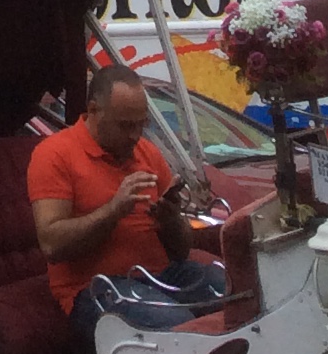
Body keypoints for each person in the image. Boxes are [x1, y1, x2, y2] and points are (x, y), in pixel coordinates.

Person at [27, 65, 224, 337]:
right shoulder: (54, 154)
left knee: (236, 295)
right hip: (95, 286)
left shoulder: (146, 152)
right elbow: (51, 244)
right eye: (124, 125)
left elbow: (180, 251)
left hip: (160, 274)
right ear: (94, 111)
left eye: (141, 124)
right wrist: (114, 210)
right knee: (181, 327)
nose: (134, 135)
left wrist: (171, 222)